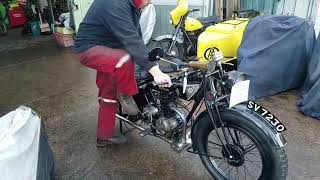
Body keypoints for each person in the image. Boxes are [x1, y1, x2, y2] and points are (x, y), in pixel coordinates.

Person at [74, 0, 172, 147]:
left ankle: (104, 136)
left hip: (108, 47)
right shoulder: (114, 3)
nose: (151, 1)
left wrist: (151, 63)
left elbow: (136, 36)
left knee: (109, 93)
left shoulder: (132, 6)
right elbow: (131, 40)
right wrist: (155, 72)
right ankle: (126, 94)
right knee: (125, 58)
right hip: (89, 48)